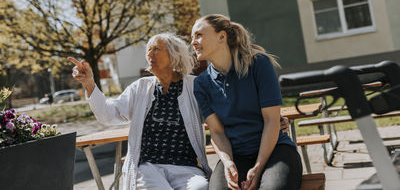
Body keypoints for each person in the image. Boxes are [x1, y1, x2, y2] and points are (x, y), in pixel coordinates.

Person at [68, 33, 211, 190]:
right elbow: (108, 114)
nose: (149, 54)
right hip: (147, 166)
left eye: (156, 49)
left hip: (186, 167)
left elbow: (216, 120)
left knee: (201, 187)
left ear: (174, 55)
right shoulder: (140, 87)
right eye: (148, 50)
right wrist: (89, 84)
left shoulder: (195, 86)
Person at [191, 14, 302, 190]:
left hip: (276, 150)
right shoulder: (201, 84)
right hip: (236, 156)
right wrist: (227, 163)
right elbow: (217, 132)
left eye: (198, 35)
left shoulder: (259, 64)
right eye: (192, 37)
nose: (193, 42)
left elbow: (272, 120)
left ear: (221, 37)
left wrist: (257, 169)